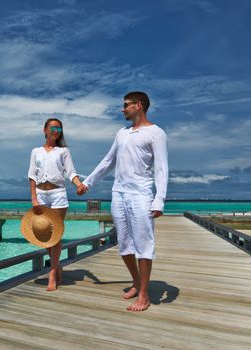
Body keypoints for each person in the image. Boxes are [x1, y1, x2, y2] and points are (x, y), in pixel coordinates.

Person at [77, 91, 168, 311]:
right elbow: (107, 161)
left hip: (141, 195)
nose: (122, 109)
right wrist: (87, 183)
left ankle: (144, 295)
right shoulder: (122, 133)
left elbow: (161, 169)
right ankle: (136, 283)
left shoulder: (156, 133)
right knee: (124, 245)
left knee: (144, 245)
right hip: (118, 194)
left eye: (126, 105)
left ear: (138, 105)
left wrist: (159, 200)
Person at [28, 118, 83, 291]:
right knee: (43, 234)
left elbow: (71, 172)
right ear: (44, 129)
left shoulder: (63, 151)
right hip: (40, 195)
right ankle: (57, 265)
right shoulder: (36, 151)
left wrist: (79, 184)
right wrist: (34, 198)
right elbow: (32, 175)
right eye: (53, 127)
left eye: (59, 128)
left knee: (56, 235)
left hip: (58, 194)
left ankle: (52, 272)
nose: (56, 130)